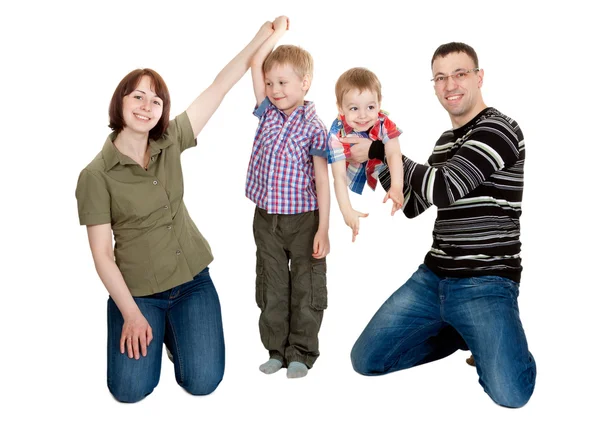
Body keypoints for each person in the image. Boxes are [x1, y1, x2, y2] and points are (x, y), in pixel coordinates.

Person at [75, 20, 278, 403]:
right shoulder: (95, 175)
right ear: (120, 102)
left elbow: (219, 86)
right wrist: (132, 314)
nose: (147, 106)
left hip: (191, 280)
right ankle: (153, 323)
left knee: (202, 382)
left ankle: (174, 332)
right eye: (138, 97)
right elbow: (101, 255)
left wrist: (263, 38)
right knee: (129, 391)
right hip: (136, 295)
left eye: (155, 100)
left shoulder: (170, 140)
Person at [349, 42, 536, 408]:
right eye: (440, 77)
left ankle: (491, 342)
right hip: (433, 279)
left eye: (460, 73)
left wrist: (379, 151)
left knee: (512, 395)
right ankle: (458, 332)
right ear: (434, 86)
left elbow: (446, 187)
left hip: (487, 280)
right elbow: (415, 205)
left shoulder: (499, 128)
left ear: (479, 77)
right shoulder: (445, 142)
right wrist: (380, 158)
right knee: (366, 361)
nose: (450, 84)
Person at [246, 17, 331, 379]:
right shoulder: (267, 112)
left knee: (306, 284)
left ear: (304, 83)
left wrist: (323, 229)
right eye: (270, 83)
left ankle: (301, 351)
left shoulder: (313, 126)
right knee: (272, 283)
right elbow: (255, 61)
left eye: (282, 82)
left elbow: (322, 181)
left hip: (303, 219)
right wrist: (278, 33)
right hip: (266, 218)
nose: (275, 89)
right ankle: (276, 350)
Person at [327, 67, 404, 242]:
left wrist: (397, 187)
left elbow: (393, 154)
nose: (363, 115)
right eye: (354, 108)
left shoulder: (384, 122)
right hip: (352, 184)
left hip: (382, 179)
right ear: (340, 108)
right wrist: (347, 211)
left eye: (370, 107)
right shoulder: (336, 133)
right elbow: (338, 176)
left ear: (379, 103)